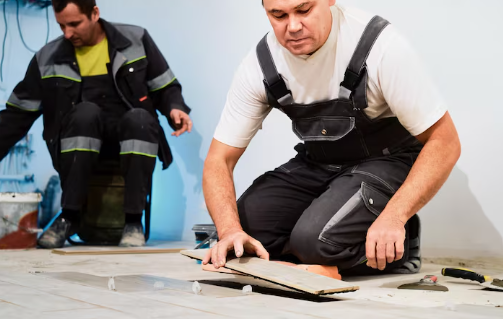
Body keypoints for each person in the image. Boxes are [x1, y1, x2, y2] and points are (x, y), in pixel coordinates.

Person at [202, 0, 461, 275]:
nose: (292, 26)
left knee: (317, 242)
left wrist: (395, 216)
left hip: (387, 160)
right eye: (278, 15)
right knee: (245, 230)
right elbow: (219, 160)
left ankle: (401, 243)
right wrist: (229, 230)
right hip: (318, 164)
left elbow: (445, 142)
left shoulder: (378, 46)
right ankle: (315, 248)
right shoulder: (260, 64)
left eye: (304, 10)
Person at [0, 0, 193, 248]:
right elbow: (17, 115)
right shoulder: (47, 58)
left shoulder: (135, 39)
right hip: (78, 145)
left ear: (94, 13)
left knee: (140, 118)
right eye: (61, 26)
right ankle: (69, 216)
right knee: (85, 114)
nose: (68, 33)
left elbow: (165, 86)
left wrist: (175, 108)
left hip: (131, 139)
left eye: (74, 24)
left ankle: (133, 221)